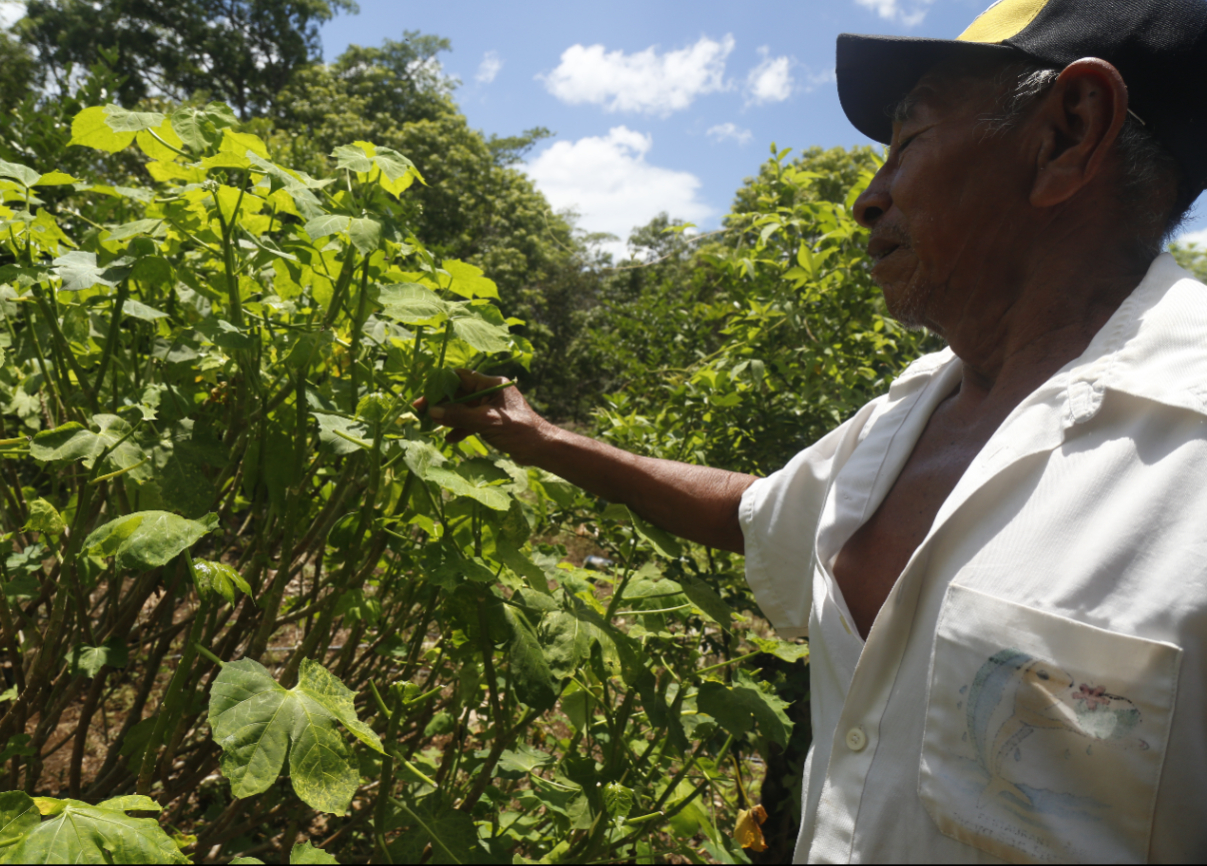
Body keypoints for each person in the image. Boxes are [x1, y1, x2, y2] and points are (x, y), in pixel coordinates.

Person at [423, 0, 1207, 861]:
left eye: (907, 141)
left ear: (1066, 135)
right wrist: (542, 440)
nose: (866, 200)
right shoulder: (909, 411)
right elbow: (755, 514)